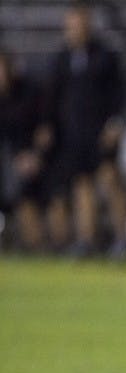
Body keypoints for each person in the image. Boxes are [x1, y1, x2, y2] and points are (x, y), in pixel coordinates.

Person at [46, 2, 126, 258]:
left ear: (88, 24)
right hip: (74, 133)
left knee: (110, 180)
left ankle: (123, 240)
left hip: (101, 131)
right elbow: (53, 98)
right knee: (82, 185)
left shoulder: (105, 56)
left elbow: (120, 93)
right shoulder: (62, 58)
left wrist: (115, 123)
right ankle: (86, 240)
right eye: (71, 25)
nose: (74, 29)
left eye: (79, 24)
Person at [0, 51, 55, 253]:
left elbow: (45, 131)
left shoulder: (30, 92)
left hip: (37, 161)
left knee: (26, 195)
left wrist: (34, 155)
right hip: (9, 161)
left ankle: (41, 248)